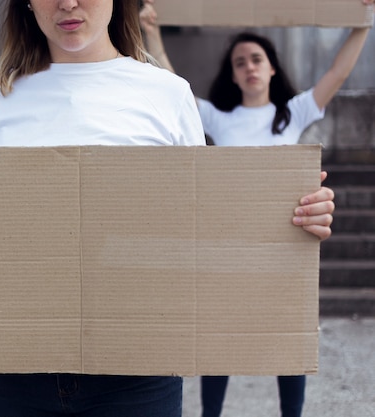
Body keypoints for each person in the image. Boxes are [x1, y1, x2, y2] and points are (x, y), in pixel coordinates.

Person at [0, 0, 335, 416]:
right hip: (11, 366)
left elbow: (201, 226)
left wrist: (293, 217)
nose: (68, 3)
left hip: (139, 367)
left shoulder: (167, 93)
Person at [139, 0, 370, 415]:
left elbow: (338, 72)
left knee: (287, 336)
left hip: (284, 244)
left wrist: (362, 23)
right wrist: (153, 32)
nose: (249, 66)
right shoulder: (216, 118)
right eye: (240, 61)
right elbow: (171, 81)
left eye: (256, 58)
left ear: (272, 68)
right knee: (220, 340)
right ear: (232, 73)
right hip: (228, 245)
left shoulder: (292, 113)